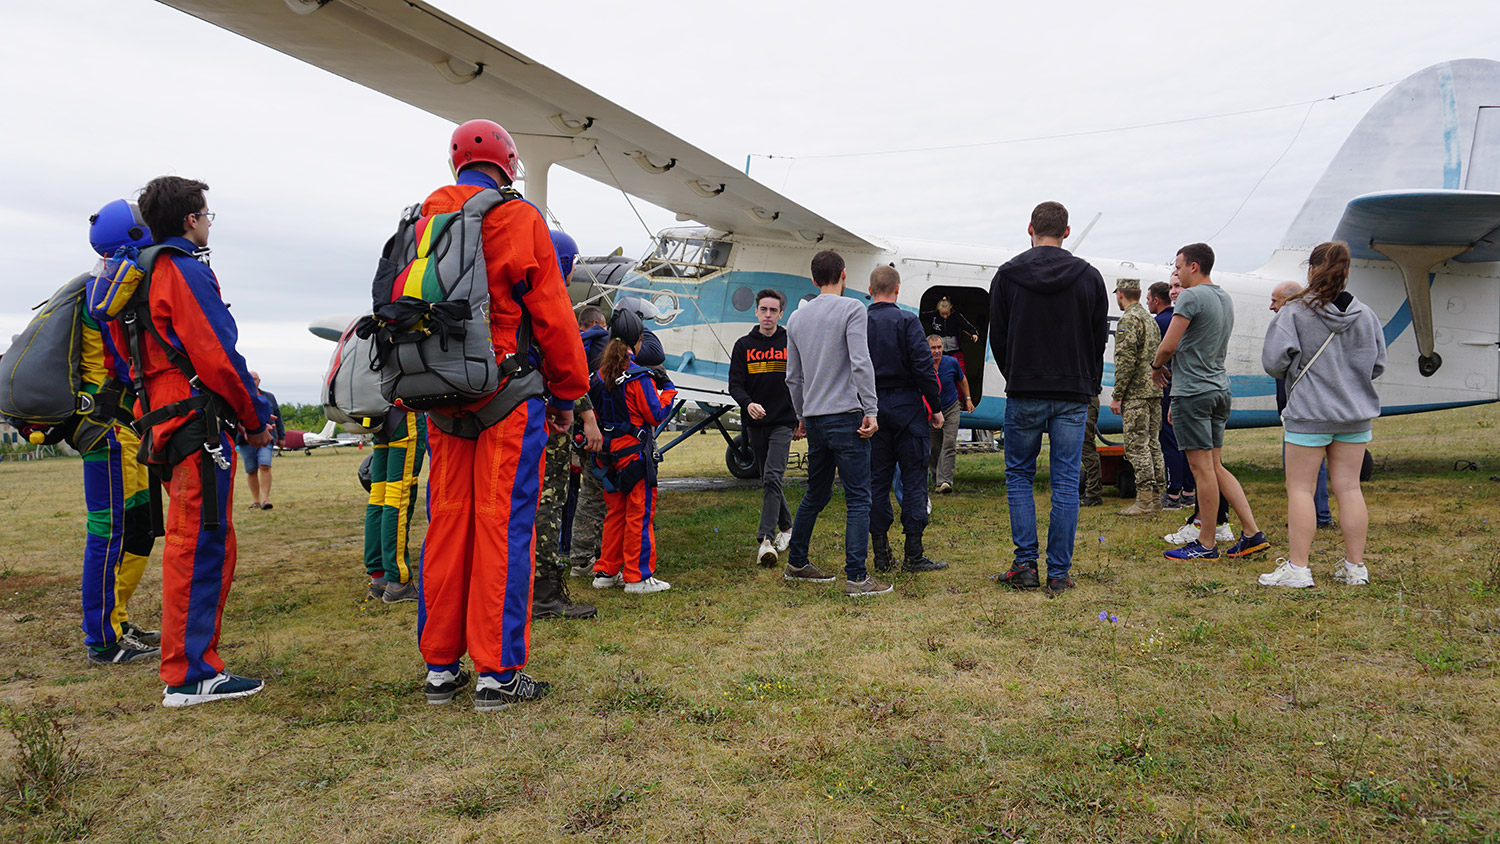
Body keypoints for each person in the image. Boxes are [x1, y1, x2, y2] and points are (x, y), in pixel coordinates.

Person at [415, 120, 589, 711]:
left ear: (455, 164)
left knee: (446, 525)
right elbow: (554, 316)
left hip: (439, 397)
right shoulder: (518, 218)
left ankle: (441, 669)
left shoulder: (423, 219)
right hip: (506, 395)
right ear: (509, 165)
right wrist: (566, 396)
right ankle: (498, 672)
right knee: (502, 528)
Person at [134, 176, 273, 706]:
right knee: (199, 545)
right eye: (207, 215)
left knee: (190, 540)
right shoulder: (182, 270)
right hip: (197, 426)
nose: (209, 224)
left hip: (164, 422)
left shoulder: (141, 273)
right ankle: (190, 674)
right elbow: (217, 353)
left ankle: (191, 664)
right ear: (191, 219)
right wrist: (255, 418)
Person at [990, 201, 1108, 594]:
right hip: (1073, 390)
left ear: (1030, 228)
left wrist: (1016, 374)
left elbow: (999, 337)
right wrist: (1087, 379)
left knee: (1019, 475)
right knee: (1066, 480)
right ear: (1067, 232)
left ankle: (1025, 565)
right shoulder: (1089, 277)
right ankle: (1059, 573)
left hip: (1025, 387)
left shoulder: (1007, 275)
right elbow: (1097, 339)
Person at [1259, 242, 1386, 587]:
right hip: (1354, 413)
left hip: (1309, 413)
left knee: (1300, 490)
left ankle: (1299, 568)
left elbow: (1274, 362)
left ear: (1311, 270)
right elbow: (1377, 364)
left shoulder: (1294, 313)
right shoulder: (1365, 314)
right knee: (1350, 488)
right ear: (1346, 272)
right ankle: (1355, 567)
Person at [78, 199, 159, 664]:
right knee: (109, 532)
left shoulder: (107, 279)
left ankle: (117, 619)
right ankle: (104, 640)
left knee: (139, 528)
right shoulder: (112, 283)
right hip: (105, 429)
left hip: (122, 428)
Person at [1152, 243, 1269, 561]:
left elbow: (1168, 345)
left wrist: (1156, 366)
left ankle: (1205, 543)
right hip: (1219, 389)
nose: (1176, 273)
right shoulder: (1223, 297)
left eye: (1179, 266)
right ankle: (1251, 532)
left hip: (1193, 391)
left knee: (1201, 470)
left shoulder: (1190, 297)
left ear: (1194, 266)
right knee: (1215, 467)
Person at [785, 250, 887, 596]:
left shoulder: (796, 318)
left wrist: (801, 415)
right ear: (843, 274)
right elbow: (860, 362)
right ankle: (857, 577)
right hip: (846, 416)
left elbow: (793, 377)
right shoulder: (852, 309)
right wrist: (871, 408)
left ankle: (797, 561)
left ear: (814, 279)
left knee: (816, 492)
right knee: (858, 497)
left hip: (815, 418)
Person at [532, 230, 600, 619]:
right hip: (548, 422)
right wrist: (585, 415)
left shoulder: (516, 297)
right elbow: (566, 368)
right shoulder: (551, 304)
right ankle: (544, 595)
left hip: (519, 414)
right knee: (548, 502)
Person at [865, 267, 947, 574]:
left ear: (870, 290)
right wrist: (935, 407)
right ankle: (914, 554)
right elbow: (923, 368)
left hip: (872, 406)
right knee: (913, 479)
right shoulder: (907, 321)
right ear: (897, 289)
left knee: (876, 481)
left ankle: (881, 554)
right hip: (907, 407)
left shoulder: (860, 321)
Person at [589, 309, 677, 594]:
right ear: (638, 341)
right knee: (639, 513)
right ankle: (637, 577)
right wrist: (668, 389)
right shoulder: (638, 377)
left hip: (607, 457)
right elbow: (655, 414)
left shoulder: (598, 376)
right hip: (634, 457)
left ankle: (606, 571)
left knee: (615, 513)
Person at [728, 288, 798, 567]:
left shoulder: (790, 342)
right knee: (768, 478)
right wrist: (747, 404)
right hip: (755, 423)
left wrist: (801, 417)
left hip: (783, 422)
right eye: (764, 310)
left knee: (772, 475)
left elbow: (801, 379)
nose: (768, 315)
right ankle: (787, 528)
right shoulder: (743, 345)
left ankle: (766, 541)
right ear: (756, 312)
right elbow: (735, 384)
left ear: (781, 314)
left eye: (773, 310)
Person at [1271, 281, 1334, 530]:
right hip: (1305, 406)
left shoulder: (1292, 326)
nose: (1271, 307)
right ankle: (1318, 514)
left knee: (1302, 468)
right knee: (1312, 466)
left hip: (1302, 408)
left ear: (1288, 301)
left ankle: (1317, 516)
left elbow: (1275, 364)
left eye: (1275, 301)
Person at [1109, 279, 1165, 516]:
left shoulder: (1129, 319)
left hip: (1136, 394)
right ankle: (1157, 496)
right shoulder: (1150, 320)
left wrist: (1117, 395)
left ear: (1120, 294)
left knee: (1136, 447)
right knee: (1153, 444)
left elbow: (1126, 360)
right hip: (1153, 391)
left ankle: (1144, 500)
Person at [363, 406, 426, 603]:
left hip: (377, 418)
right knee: (397, 497)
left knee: (378, 497)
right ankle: (398, 581)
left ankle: (379, 579)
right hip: (404, 415)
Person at [1147, 280, 1188, 509]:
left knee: (1169, 441)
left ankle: (1173, 493)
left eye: (1148, 299)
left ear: (1156, 299)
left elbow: (1159, 352)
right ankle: (1189, 490)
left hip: (1167, 386)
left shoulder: (1159, 323)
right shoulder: (1179, 318)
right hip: (1184, 384)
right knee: (1187, 442)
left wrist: (1155, 368)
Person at [928, 334, 973, 494]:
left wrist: (968, 399)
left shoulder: (951, 362)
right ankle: (936, 481)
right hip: (932, 410)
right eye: (933, 348)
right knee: (934, 447)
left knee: (949, 443)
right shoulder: (922, 365)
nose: (937, 351)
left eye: (939, 347)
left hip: (951, 407)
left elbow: (962, 380)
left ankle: (945, 481)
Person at [236, 372, 283, 510]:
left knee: (264, 465)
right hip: (245, 439)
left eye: (255, 379)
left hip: (266, 436)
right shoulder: (238, 397)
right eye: (250, 379)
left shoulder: (269, 397)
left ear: (259, 381)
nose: (253, 381)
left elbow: (278, 417)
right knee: (251, 470)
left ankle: (265, 500)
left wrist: (282, 437)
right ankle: (256, 501)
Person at [922, 296, 980, 373]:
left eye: (947, 313)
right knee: (937, 372)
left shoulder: (956, 316)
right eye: (942, 314)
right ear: (938, 311)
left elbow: (967, 325)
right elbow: (919, 316)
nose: (945, 316)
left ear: (950, 309)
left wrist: (974, 333)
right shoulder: (933, 316)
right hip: (939, 352)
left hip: (955, 350)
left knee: (960, 371)